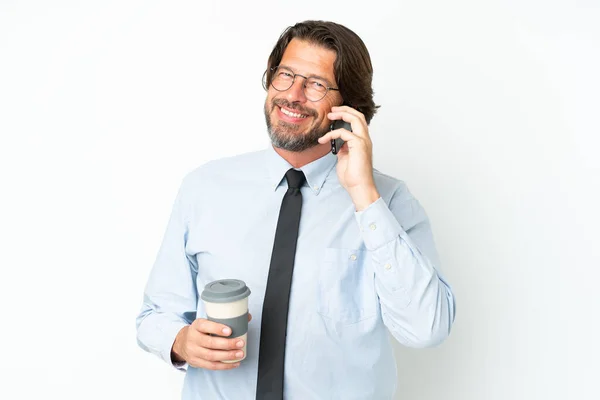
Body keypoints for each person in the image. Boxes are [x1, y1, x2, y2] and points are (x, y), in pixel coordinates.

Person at [136, 20, 456, 399]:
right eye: (285, 75)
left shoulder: (388, 202)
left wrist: (364, 196)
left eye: (317, 84)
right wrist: (181, 341)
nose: (294, 95)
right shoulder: (204, 188)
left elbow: (426, 328)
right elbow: (154, 316)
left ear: (349, 106)